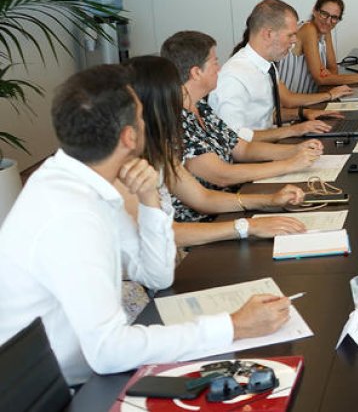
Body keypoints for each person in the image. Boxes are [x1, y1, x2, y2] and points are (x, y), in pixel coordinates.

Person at [0, 65, 292, 385]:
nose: (146, 124)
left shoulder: (83, 182)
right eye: (140, 118)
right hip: (65, 391)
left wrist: (150, 199)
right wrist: (234, 325)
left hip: (83, 372)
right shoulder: (72, 215)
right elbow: (109, 351)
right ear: (128, 137)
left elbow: (156, 274)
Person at [127, 54, 308, 241]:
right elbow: (166, 233)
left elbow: (202, 198)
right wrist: (247, 226)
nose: (183, 91)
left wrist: (270, 201)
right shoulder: (128, 164)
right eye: (177, 86)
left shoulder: (158, 146)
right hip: (188, 245)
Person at [161, 31, 325, 220]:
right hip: (212, 218)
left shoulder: (200, 106)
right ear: (196, 72)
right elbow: (222, 175)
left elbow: (241, 148)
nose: (219, 68)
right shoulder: (176, 121)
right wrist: (289, 164)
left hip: (233, 202)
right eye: (214, 62)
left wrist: (296, 150)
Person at [211, 0, 352, 140]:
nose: (295, 41)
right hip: (253, 155)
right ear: (269, 34)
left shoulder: (267, 65)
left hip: (268, 144)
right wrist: (294, 130)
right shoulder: (234, 77)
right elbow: (233, 140)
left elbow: (264, 116)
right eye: (290, 35)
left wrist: (303, 113)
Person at [275, 0, 358, 94]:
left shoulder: (325, 31)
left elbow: (333, 70)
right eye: (324, 14)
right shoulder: (308, 29)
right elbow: (321, 79)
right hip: (292, 103)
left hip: (310, 98)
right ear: (315, 11)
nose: (328, 21)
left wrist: (328, 75)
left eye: (334, 17)